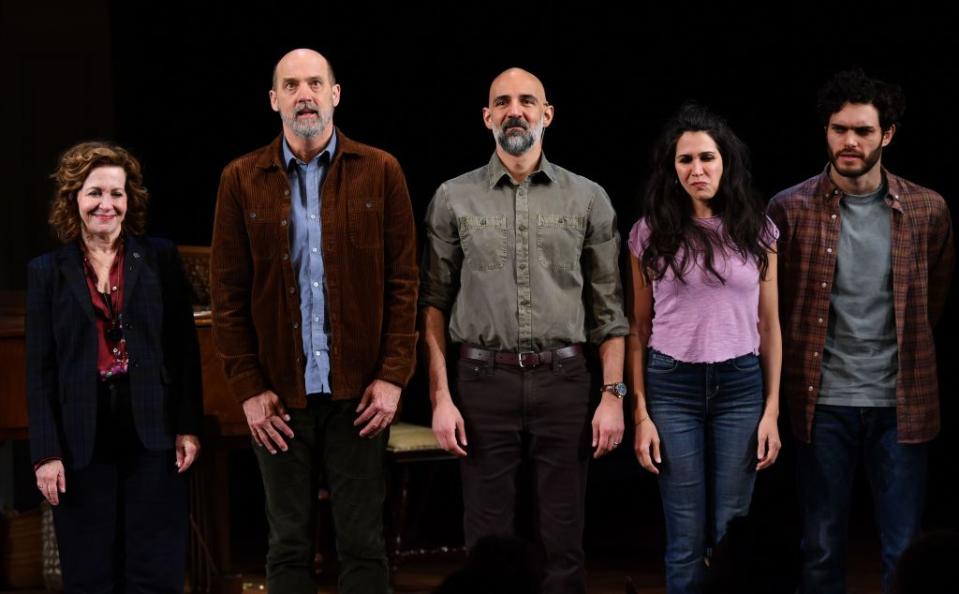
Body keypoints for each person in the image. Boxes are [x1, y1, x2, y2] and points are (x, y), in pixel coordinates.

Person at [210, 48, 418, 594]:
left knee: (363, 545)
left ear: (335, 94)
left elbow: (405, 283)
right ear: (274, 99)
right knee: (287, 547)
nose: (305, 94)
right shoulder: (240, 179)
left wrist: (394, 376)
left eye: (315, 83)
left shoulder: (381, 171)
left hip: (360, 395)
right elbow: (227, 296)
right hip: (279, 395)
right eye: (292, 84)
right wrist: (249, 390)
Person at [420, 67, 629, 594]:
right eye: (503, 102)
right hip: (481, 381)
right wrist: (440, 397)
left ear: (547, 115)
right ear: (487, 117)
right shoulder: (452, 198)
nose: (516, 110)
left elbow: (610, 310)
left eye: (527, 101)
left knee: (564, 541)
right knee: (486, 541)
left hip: (565, 381)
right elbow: (433, 305)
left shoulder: (587, 199)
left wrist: (613, 396)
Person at [768, 69, 954, 594]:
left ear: (887, 134)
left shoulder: (927, 209)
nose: (849, 142)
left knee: (903, 548)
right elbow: (771, 308)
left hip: (901, 402)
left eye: (864, 131)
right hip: (820, 401)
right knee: (821, 546)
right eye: (838, 129)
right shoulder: (788, 208)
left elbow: (931, 302)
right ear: (825, 131)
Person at [26, 141, 202, 593]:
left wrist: (187, 427)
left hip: (152, 428)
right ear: (74, 200)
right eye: (94, 193)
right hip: (81, 434)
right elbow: (39, 370)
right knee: (90, 573)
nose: (107, 204)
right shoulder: (47, 271)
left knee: (154, 570)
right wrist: (46, 453)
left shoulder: (160, 257)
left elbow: (184, 350)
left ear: (130, 200)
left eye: (117, 194)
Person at [627, 104, 782, 594]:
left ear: (725, 162)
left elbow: (770, 323)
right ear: (672, 169)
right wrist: (641, 414)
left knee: (733, 528)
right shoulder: (648, 233)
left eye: (707, 158)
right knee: (685, 531)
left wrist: (772, 410)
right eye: (685, 160)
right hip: (672, 386)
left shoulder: (758, 229)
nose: (697, 169)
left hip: (741, 383)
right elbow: (637, 326)